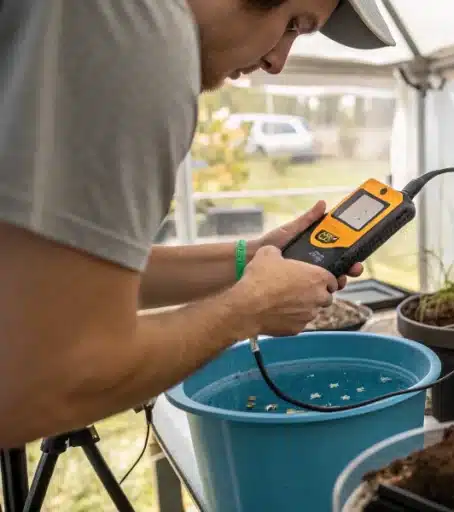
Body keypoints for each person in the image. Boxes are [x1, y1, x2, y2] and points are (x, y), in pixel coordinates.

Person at [0, 0, 395, 448]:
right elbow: (43, 382)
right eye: (292, 24)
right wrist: (245, 311)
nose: (278, 62)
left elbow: (66, 276)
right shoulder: (143, 34)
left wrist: (250, 259)